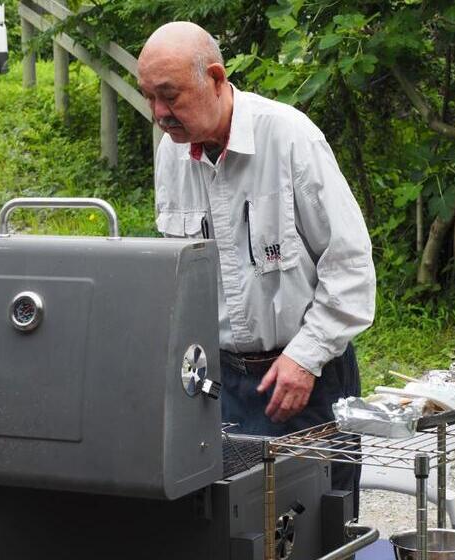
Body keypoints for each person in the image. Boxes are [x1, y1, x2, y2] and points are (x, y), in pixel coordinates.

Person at [138, 22, 375, 513]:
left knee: (317, 531)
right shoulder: (171, 153)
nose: (160, 114)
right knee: (226, 530)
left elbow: (350, 267)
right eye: (149, 98)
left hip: (306, 382)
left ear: (217, 78)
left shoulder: (289, 138)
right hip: (217, 387)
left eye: (170, 95)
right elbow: (178, 281)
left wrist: (305, 358)